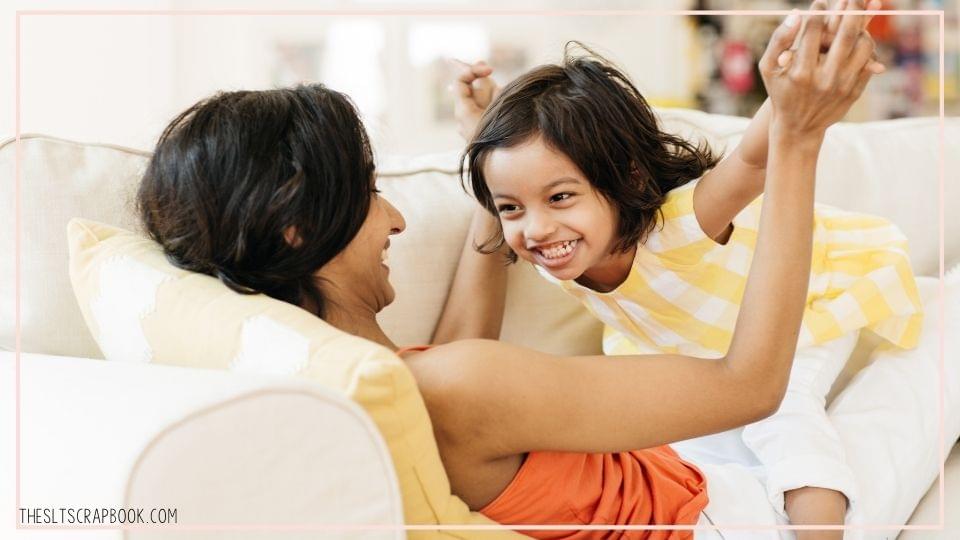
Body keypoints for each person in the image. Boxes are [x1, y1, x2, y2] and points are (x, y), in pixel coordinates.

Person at [136, 3, 893, 538]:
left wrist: (496, 194)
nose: (396, 219)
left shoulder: (354, 378)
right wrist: (798, 136)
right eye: (371, 194)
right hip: (724, 515)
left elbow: (462, 364)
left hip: (696, 473)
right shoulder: (448, 388)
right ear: (299, 226)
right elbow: (751, 388)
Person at [445, 0, 921, 535]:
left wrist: (792, 79)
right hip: (684, 349)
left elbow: (754, 157)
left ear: (623, 178)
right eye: (512, 207)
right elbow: (500, 212)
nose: (534, 229)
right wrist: (481, 143)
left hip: (797, 315)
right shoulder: (550, 249)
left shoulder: (679, 222)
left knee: (784, 418)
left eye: (560, 197)